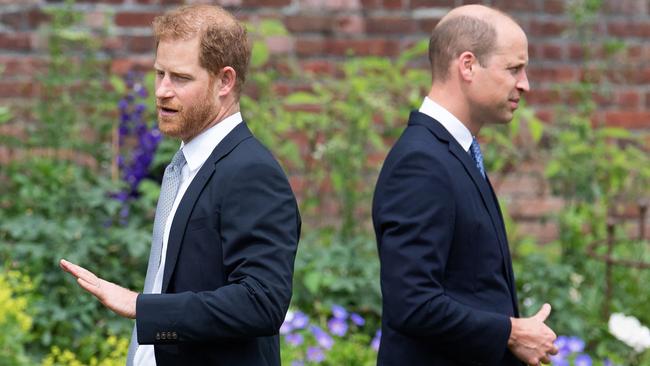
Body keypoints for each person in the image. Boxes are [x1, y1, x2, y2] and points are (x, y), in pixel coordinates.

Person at [60, 5, 300, 366]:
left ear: (225, 81)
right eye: (159, 73)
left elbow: (261, 302)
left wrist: (141, 306)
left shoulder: (251, 171)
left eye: (181, 78)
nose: (162, 91)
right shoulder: (185, 165)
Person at [372, 5, 558, 366]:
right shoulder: (421, 163)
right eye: (513, 69)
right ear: (467, 65)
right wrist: (510, 332)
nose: (525, 84)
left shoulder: (454, 152)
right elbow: (412, 302)